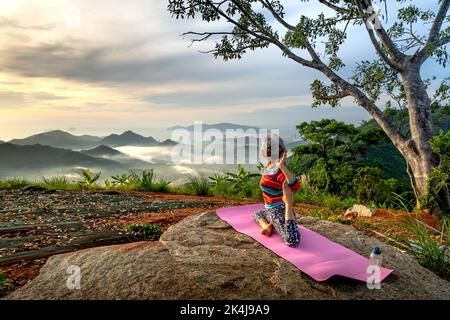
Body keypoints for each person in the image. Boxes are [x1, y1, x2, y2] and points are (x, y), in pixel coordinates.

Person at [253, 134, 301, 248]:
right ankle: (268, 226)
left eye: (263, 147)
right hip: (270, 209)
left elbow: (295, 187)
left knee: (292, 240)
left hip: (279, 210)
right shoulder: (269, 166)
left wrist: (282, 167)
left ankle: (277, 222)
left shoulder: (278, 171)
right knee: (257, 213)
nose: (261, 149)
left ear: (267, 151)